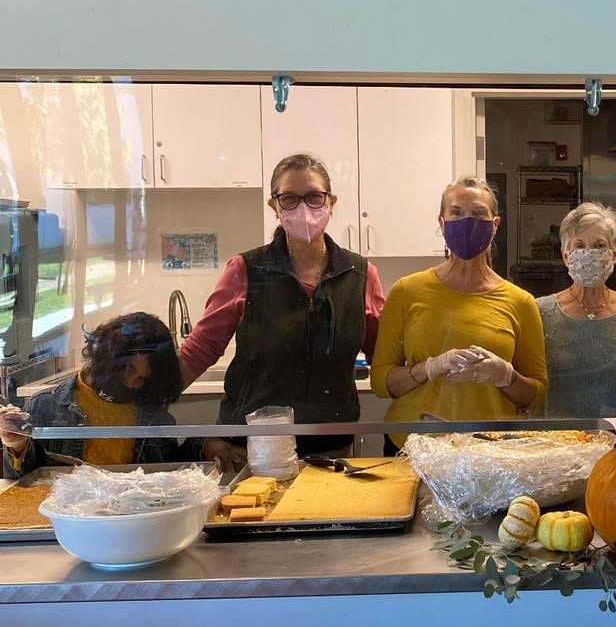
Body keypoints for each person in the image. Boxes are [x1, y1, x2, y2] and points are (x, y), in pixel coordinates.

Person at [178, 153, 385, 464]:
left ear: (331, 202)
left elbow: (383, 358)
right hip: (251, 450)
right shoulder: (246, 269)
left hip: (330, 448)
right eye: (289, 198)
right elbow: (199, 351)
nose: (304, 208)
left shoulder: (359, 275)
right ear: (274, 206)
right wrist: (142, 402)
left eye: (315, 196)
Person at [371, 176, 547, 451]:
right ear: (441, 223)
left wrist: (505, 376)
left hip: (491, 451)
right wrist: (430, 367)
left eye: (478, 213)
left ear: (495, 225)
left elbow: (535, 395)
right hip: (413, 447)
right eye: (456, 213)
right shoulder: (407, 291)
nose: (467, 221)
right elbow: (381, 382)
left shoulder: (520, 302)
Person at [0, 312, 193, 478]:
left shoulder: (151, 413)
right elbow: (21, 482)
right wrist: (17, 445)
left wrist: (203, 445)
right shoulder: (46, 406)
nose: (131, 383)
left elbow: (169, 471)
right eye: (126, 370)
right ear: (104, 359)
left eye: (142, 379)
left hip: (133, 515)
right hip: (69, 518)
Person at [534, 202, 616, 418]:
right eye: (579, 246)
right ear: (565, 254)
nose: (589, 253)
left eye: (599, 246)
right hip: (558, 441)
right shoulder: (539, 312)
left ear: (615, 254)